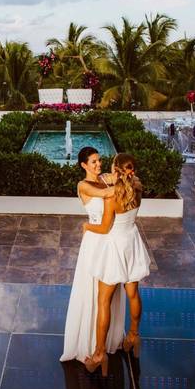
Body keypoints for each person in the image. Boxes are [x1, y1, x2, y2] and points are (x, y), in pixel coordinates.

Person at [83, 153, 151, 375]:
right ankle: (133, 335)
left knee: (104, 301)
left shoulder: (112, 197)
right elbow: (127, 181)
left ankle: (99, 354)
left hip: (115, 246)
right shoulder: (137, 187)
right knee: (133, 293)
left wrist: (86, 227)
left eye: (112, 166)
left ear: (116, 169)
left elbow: (103, 228)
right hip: (132, 240)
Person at [60, 147, 127, 364]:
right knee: (93, 292)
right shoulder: (83, 185)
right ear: (84, 165)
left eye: (99, 161)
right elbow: (108, 194)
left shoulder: (105, 179)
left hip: (112, 240)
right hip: (96, 240)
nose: (98, 165)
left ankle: (106, 341)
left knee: (110, 293)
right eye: (94, 162)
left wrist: (116, 177)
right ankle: (89, 343)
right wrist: (119, 181)